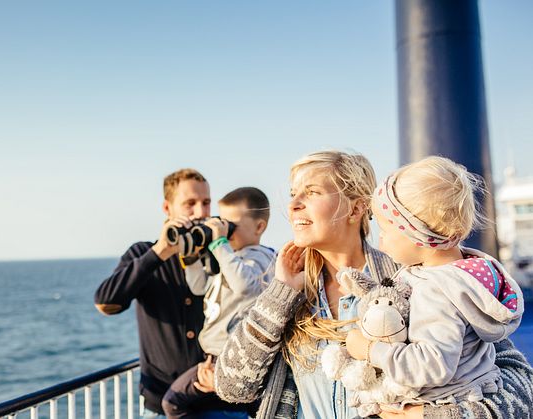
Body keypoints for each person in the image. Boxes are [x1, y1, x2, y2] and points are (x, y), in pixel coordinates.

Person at [213, 150, 533, 418]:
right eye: (294, 193)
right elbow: (232, 387)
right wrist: (281, 295)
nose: (293, 204)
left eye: (311, 192)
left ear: (356, 207)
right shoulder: (282, 285)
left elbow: (521, 385)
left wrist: (435, 416)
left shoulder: (421, 279)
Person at [342, 156, 523, 414]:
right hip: (471, 391)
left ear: (419, 235)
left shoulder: (435, 291)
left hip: (441, 402)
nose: (381, 243)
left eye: (386, 231)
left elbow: (432, 364)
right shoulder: (467, 272)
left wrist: (370, 349)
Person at [94, 168, 210, 417]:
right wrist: (160, 252)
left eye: (206, 203)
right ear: (167, 209)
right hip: (161, 405)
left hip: (219, 403)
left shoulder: (220, 254)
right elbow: (105, 303)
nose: (201, 212)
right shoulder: (143, 254)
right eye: (190, 203)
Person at [162, 187, 276, 418]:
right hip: (214, 357)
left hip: (232, 357)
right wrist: (192, 257)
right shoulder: (231, 260)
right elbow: (199, 287)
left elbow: (245, 286)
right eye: (220, 222)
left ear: (259, 227)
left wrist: (218, 244)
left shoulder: (262, 257)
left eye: (230, 224)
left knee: (173, 402)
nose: (224, 230)